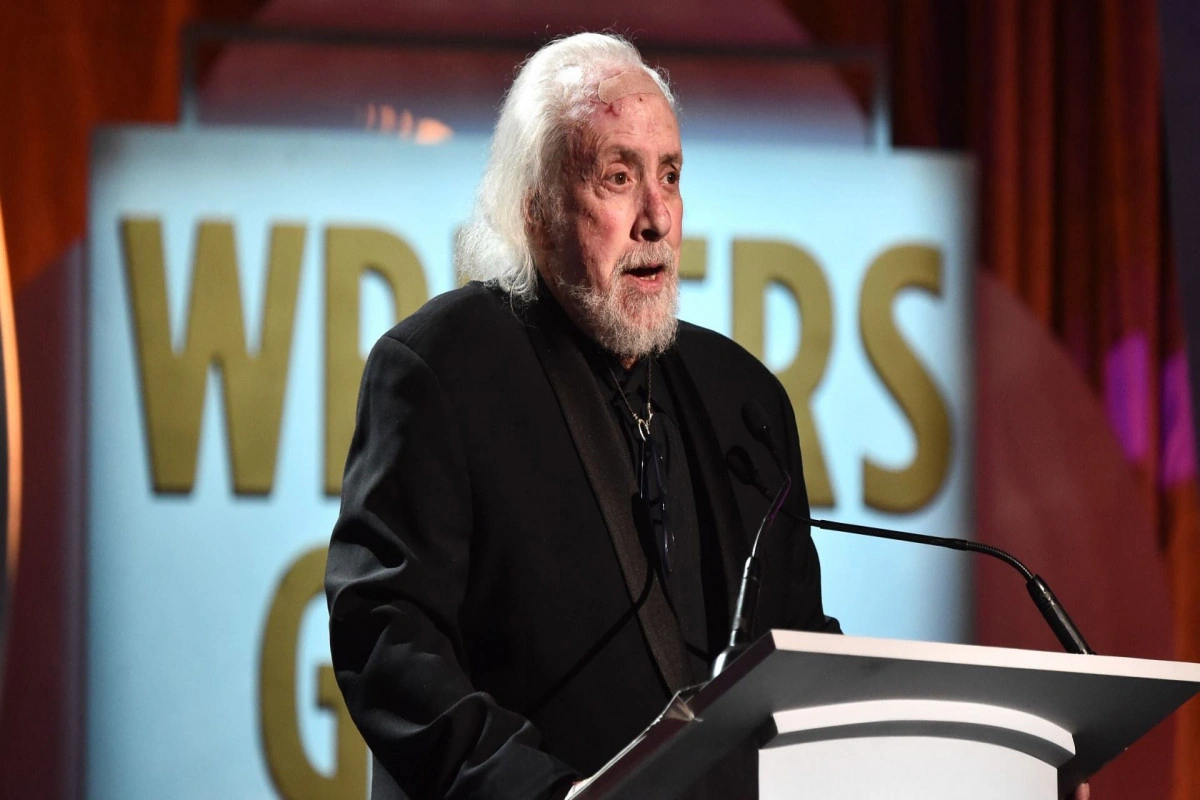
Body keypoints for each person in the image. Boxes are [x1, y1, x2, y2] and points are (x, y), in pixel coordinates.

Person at [324, 31, 837, 800]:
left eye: (670, 175)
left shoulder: (743, 396)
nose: (657, 218)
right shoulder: (442, 368)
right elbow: (388, 637)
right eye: (618, 177)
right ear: (534, 210)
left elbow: (798, 649)